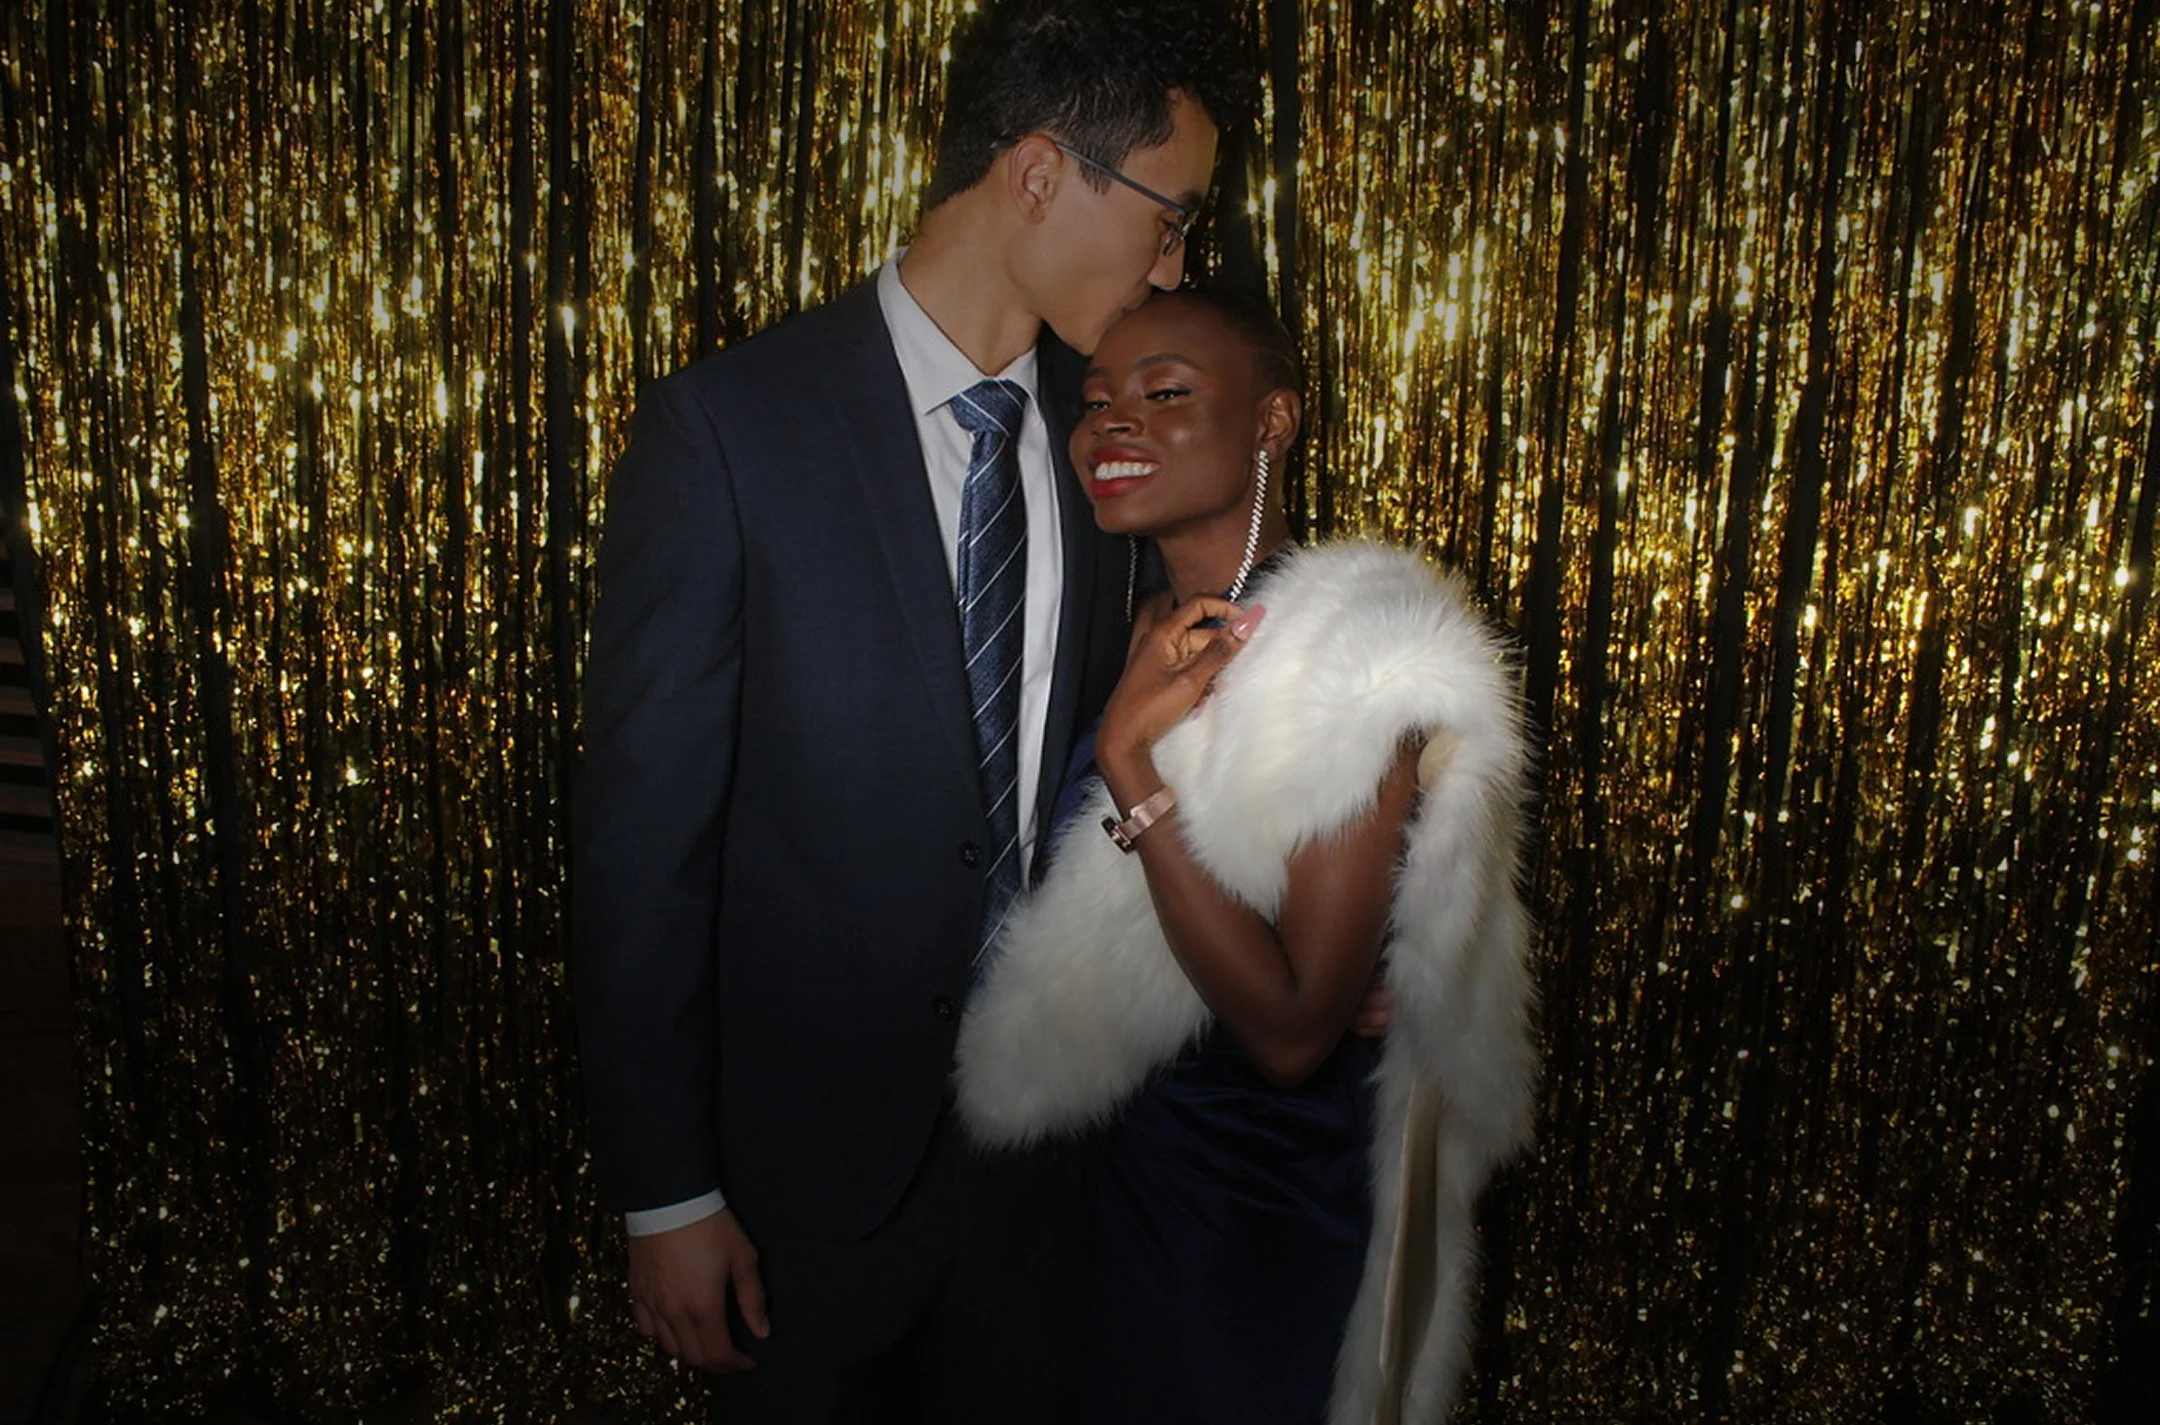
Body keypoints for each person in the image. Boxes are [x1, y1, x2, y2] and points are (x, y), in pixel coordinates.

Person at [570, 3, 1253, 1420]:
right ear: (1042, 173)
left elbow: (1214, 679)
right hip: (798, 1195)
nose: (1178, 265)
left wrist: (1335, 924)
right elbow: (644, 849)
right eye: (1171, 218)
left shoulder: (1112, 436)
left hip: (1055, 1175)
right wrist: (664, 1191)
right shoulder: (726, 432)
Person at [955, 290, 1540, 1423]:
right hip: (1104, 1189)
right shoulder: (1141, 624)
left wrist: (1132, 768)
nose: (1112, 426)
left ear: (1275, 422)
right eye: (1096, 401)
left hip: (1247, 1216)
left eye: (1166, 393)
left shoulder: (1350, 659)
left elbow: (1288, 1030)